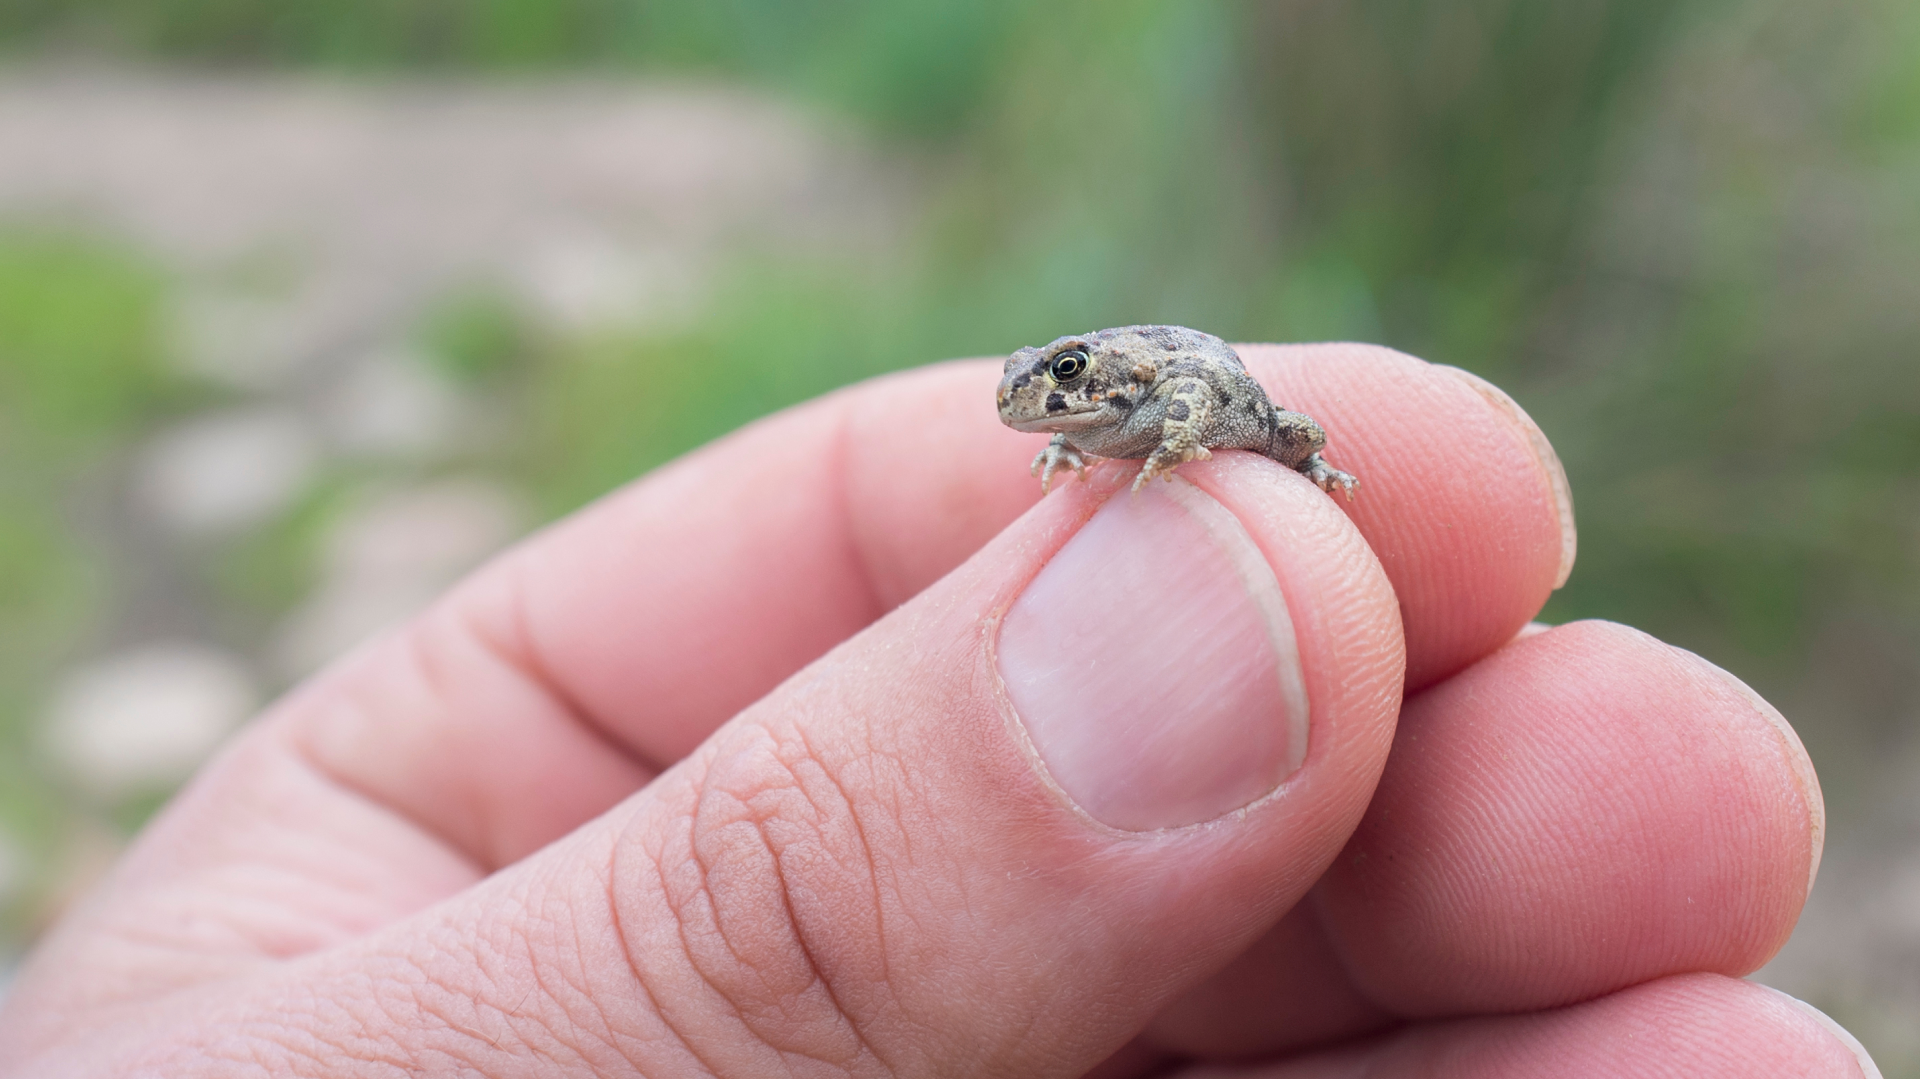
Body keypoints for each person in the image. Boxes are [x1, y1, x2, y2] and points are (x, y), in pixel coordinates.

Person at [0, 345, 1877, 1077]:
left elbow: (1175, 406)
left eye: (1054, 398)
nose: (1046, 414)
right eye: (1045, 401)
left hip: (1230, 420)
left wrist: (1158, 466)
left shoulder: (1136, 403)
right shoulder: (1079, 426)